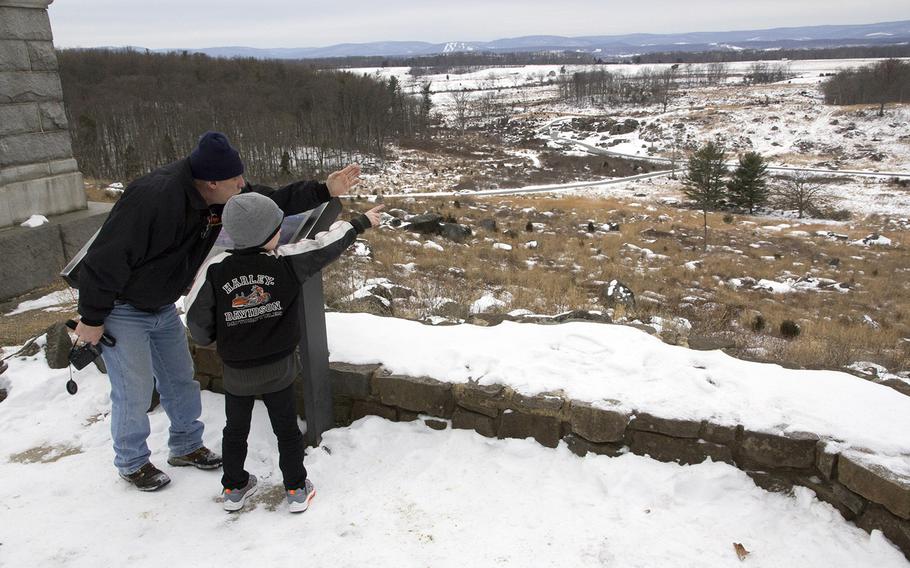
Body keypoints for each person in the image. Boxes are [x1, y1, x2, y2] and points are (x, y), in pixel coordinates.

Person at [74, 131, 362, 491]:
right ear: (210, 183)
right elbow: (106, 258)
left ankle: (186, 445)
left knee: (180, 377)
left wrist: (323, 190)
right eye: (236, 180)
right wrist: (92, 318)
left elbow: (267, 203)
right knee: (133, 388)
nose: (243, 184)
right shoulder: (153, 197)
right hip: (122, 306)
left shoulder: (220, 193)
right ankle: (132, 462)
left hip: (161, 305)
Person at [184, 192, 383, 512]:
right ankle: (295, 489)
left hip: (236, 371)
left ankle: (234, 488)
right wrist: (359, 223)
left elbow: (195, 317)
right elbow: (323, 247)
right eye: (277, 226)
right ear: (268, 233)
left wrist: (212, 337)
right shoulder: (286, 260)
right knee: (287, 429)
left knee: (234, 430)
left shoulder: (215, 269)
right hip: (279, 367)